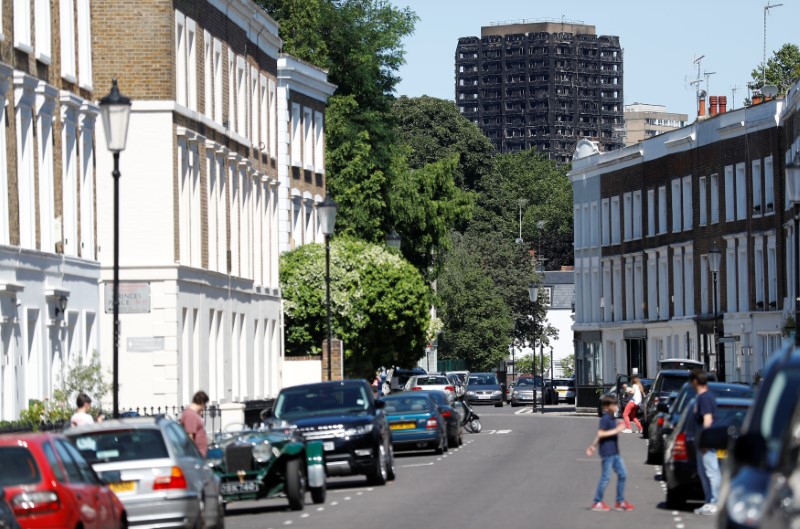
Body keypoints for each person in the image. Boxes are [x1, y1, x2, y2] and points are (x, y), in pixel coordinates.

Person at [586, 395, 635, 512]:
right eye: (614, 405)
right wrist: (593, 446)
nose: (616, 407)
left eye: (616, 404)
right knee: (606, 477)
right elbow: (601, 434)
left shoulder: (613, 419)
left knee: (623, 474)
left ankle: (620, 501)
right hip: (607, 452)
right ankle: (597, 502)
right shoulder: (605, 419)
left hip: (615, 452)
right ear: (607, 407)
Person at [690, 370, 720, 516]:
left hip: (706, 442)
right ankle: (709, 501)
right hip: (703, 441)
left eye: (691, 381)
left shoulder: (705, 398)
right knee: (704, 472)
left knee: (711, 471)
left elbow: (707, 420)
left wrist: (704, 441)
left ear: (695, 381)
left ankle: (715, 502)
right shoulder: (702, 397)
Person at [179, 391, 210, 457]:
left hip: (199, 454)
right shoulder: (190, 415)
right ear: (202, 402)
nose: (204, 407)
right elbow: (190, 436)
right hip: (196, 455)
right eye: (205, 404)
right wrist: (193, 454)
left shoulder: (193, 414)